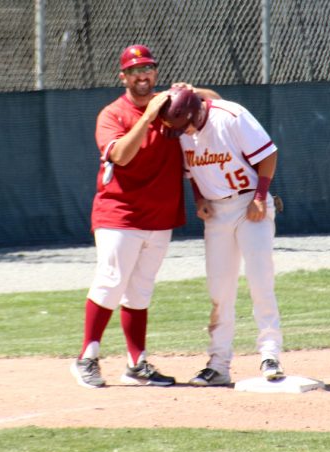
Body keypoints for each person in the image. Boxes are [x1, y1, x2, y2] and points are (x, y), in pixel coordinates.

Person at [70, 45, 220, 388]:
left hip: (160, 215)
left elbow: (215, 102)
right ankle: (87, 357)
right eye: (134, 70)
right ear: (122, 76)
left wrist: (191, 93)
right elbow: (120, 156)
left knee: (140, 291)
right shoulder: (113, 114)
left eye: (148, 68)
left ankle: (136, 364)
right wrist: (149, 115)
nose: (143, 75)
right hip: (119, 214)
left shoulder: (172, 107)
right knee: (110, 282)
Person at [159, 87, 285, 386]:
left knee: (260, 280)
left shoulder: (231, 116)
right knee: (219, 291)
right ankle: (218, 364)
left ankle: (270, 355)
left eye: (183, 126)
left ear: (196, 111)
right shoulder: (184, 127)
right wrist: (199, 198)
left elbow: (269, 155)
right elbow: (192, 171)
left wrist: (260, 197)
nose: (181, 133)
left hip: (248, 204)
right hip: (216, 212)